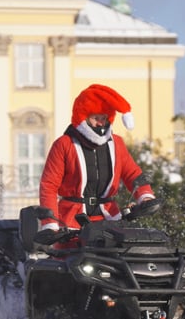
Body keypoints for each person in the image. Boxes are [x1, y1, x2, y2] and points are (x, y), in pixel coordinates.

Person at [38, 84, 155, 236]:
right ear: (83, 117)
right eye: (95, 118)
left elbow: (133, 174)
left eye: (104, 118)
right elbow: (49, 186)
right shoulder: (64, 144)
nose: (100, 123)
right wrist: (50, 223)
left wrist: (145, 196)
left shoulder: (117, 144)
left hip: (109, 219)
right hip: (71, 222)